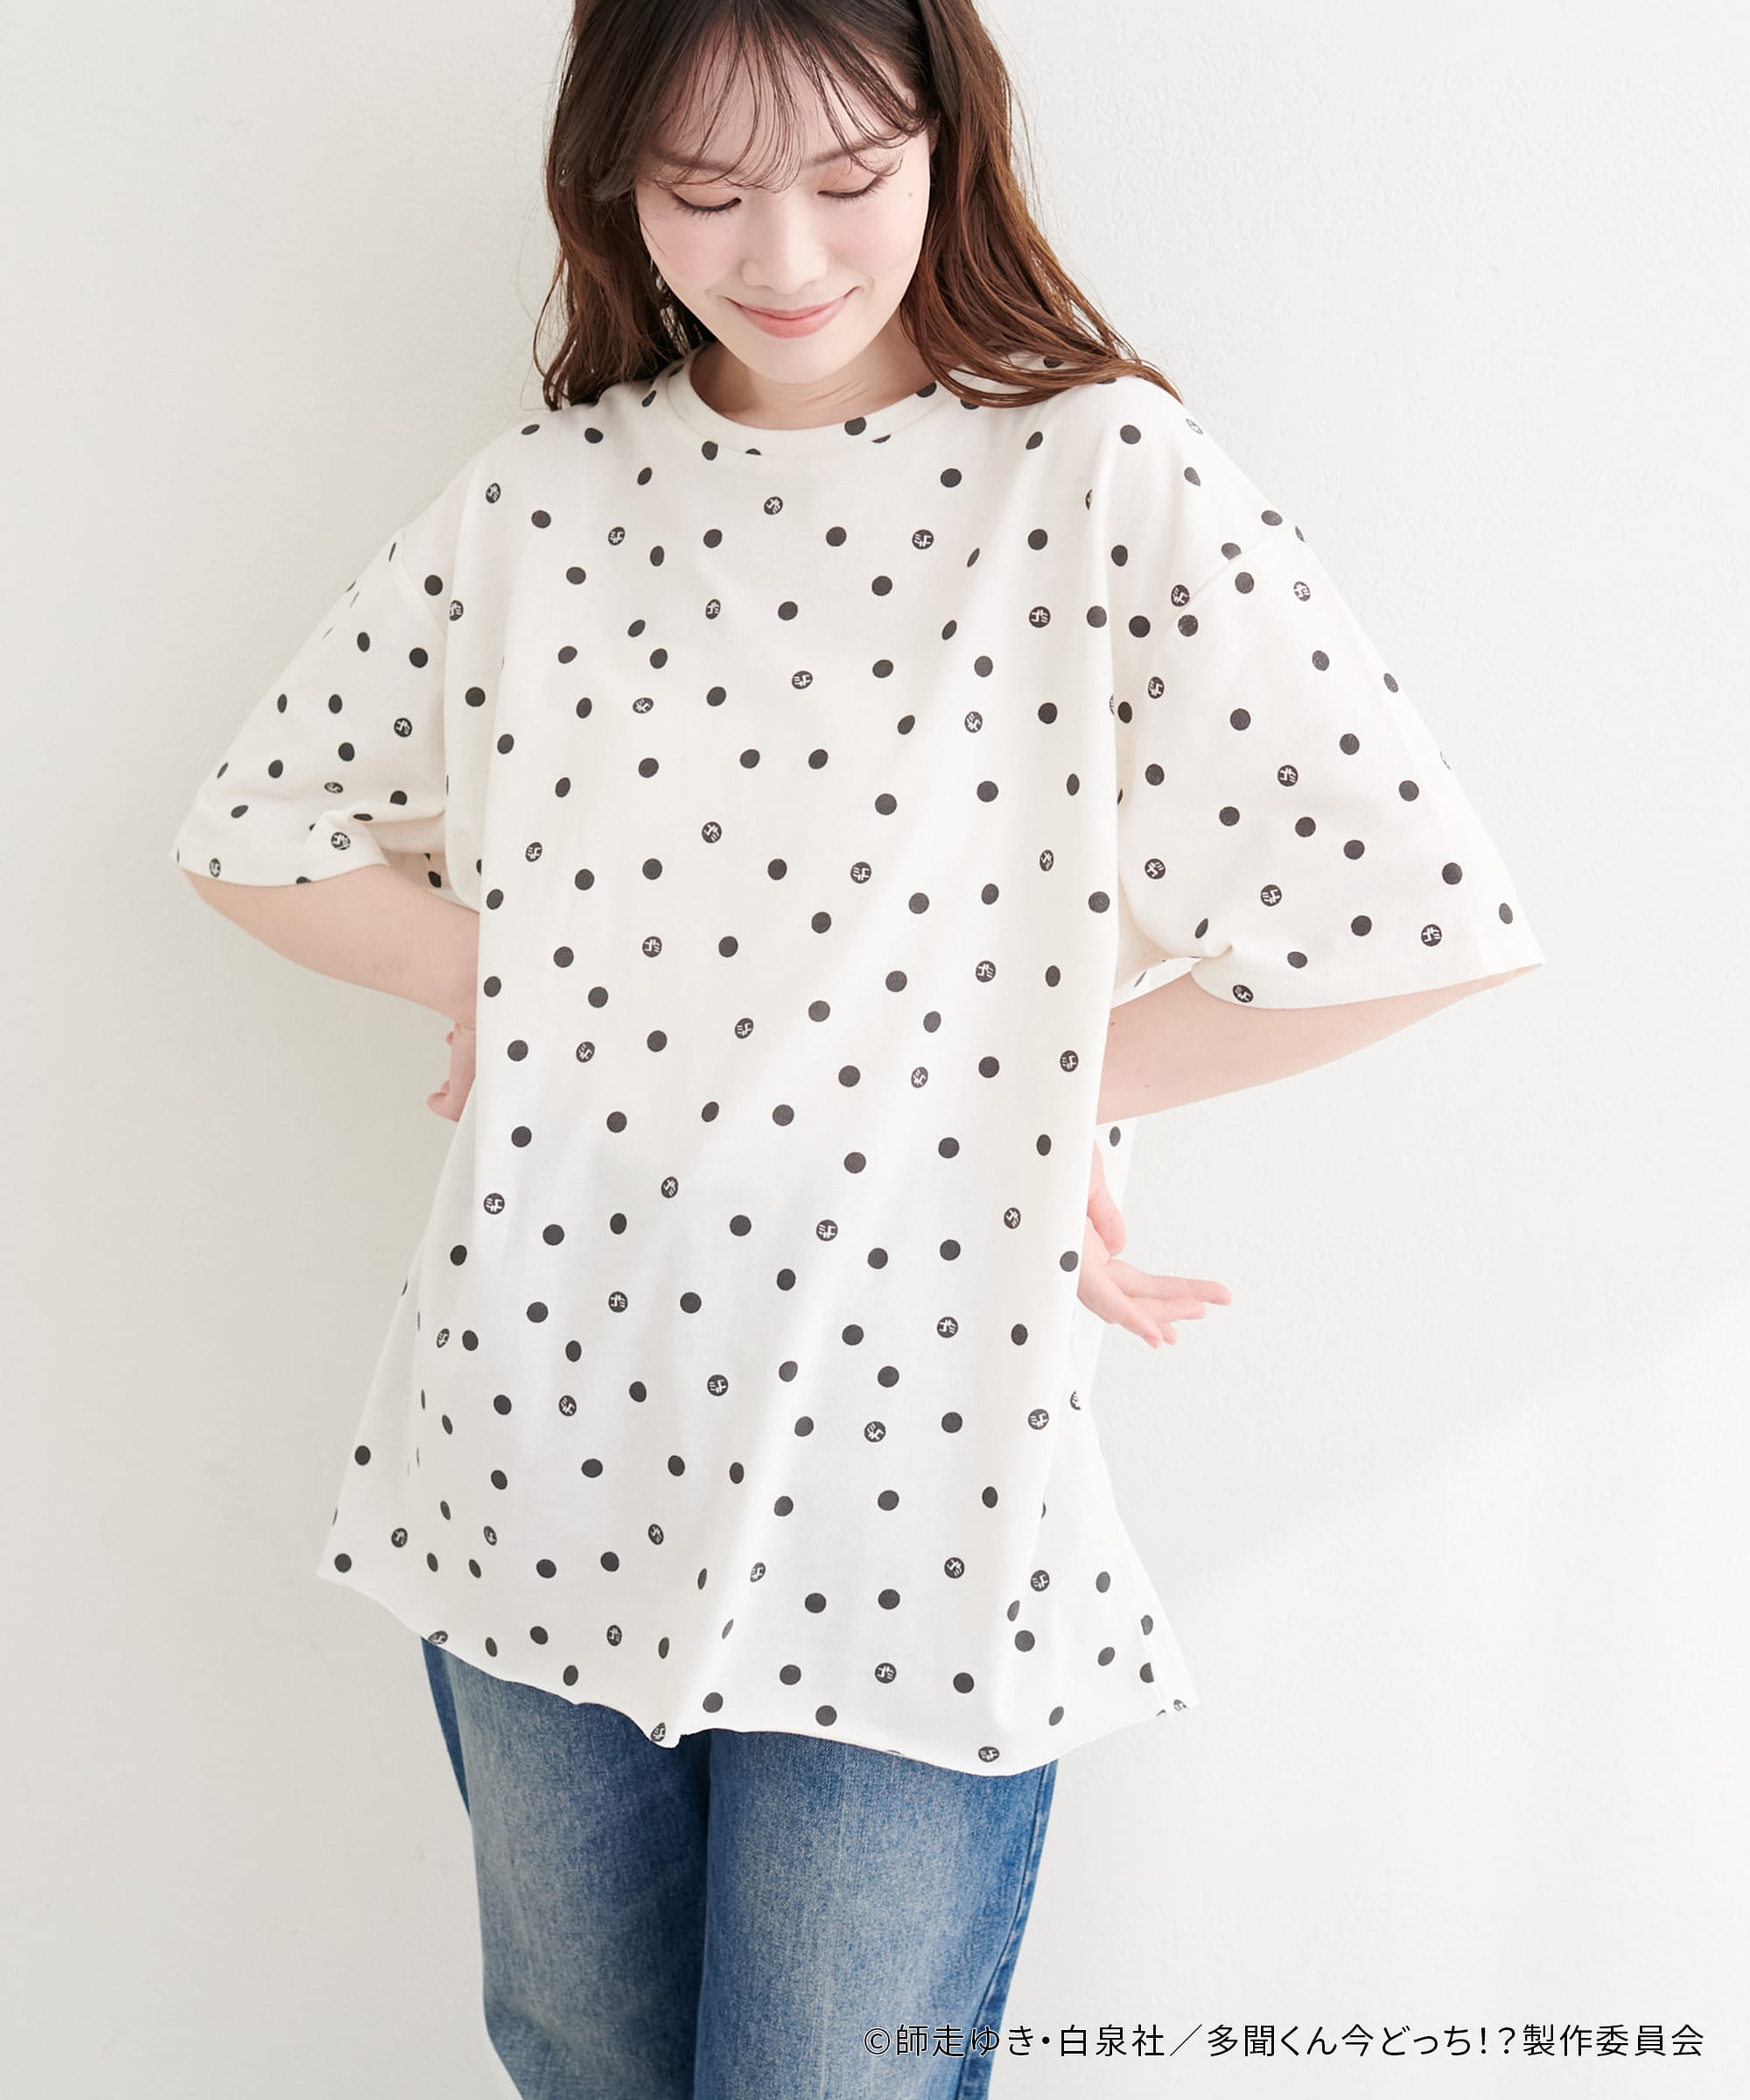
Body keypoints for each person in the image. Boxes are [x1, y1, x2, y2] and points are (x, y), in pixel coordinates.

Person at [166, 3, 1547, 2094]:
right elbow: (252, 832)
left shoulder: (1094, 472)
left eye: (847, 177)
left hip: (907, 1458)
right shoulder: (544, 497)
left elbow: (1413, 915)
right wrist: (529, 989)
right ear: (615, 187)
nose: (786, 254)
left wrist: (1022, 1094)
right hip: (534, 1403)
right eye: (706, 190)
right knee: (577, 2046)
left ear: (946, 150)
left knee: (828, 2074)